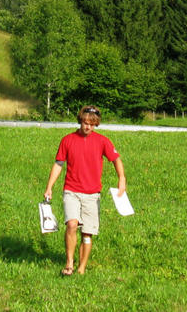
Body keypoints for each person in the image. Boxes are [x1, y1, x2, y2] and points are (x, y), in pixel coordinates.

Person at [44, 105, 126, 276]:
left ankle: (81, 268)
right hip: (71, 190)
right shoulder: (67, 140)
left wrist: (122, 179)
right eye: (85, 122)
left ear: (96, 124)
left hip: (92, 194)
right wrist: (49, 187)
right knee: (72, 224)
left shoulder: (103, 141)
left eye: (92, 124)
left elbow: (116, 160)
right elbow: (59, 164)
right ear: (80, 121)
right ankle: (69, 264)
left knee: (87, 233)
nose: (88, 126)